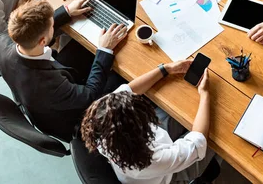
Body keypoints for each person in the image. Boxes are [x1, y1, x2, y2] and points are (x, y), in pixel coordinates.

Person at [0, 0, 128, 141]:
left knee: (81, 47)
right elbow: (89, 95)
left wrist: (67, 12)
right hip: (72, 117)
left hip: (42, 90)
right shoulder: (48, 84)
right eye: (52, 25)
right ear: (43, 41)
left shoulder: (2, 42)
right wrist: (104, 49)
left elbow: (29, 30)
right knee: (120, 77)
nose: (53, 24)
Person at [81, 61, 216, 184]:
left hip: (155, 143)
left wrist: (165, 69)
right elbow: (198, 141)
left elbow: (130, 89)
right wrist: (204, 94)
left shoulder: (102, 118)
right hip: (167, 175)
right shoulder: (150, 161)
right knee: (215, 135)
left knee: (184, 107)